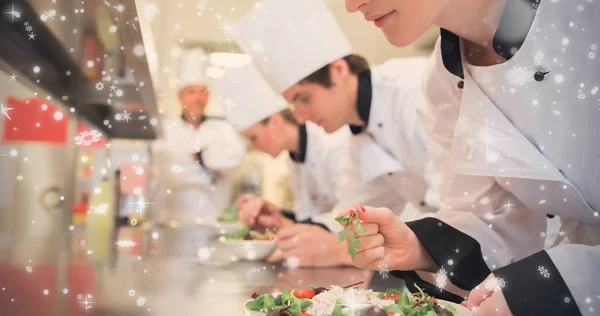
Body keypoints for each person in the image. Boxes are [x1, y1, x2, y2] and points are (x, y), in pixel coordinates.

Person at [342, 0, 600, 315]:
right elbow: (494, 217)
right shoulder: (444, 80)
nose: (351, 5)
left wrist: (563, 281)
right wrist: (420, 247)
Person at [232, 0, 439, 225]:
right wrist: (282, 222)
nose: (300, 118)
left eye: (303, 98)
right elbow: (352, 214)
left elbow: (458, 204)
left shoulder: (414, 91)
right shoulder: (359, 135)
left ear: (339, 70)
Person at [209, 63, 355, 267]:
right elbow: (310, 218)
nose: (255, 147)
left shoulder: (334, 143)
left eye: (253, 138)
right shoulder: (294, 158)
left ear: (275, 122)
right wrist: (277, 219)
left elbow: (352, 217)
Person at [151, 47, 245, 224]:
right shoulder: (166, 129)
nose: (198, 98)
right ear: (180, 97)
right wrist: (211, 173)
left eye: (203, 92)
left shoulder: (223, 128)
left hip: (214, 218)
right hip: (173, 220)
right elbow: (167, 171)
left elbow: (236, 159)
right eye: (191, 92)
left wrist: (196, 158)